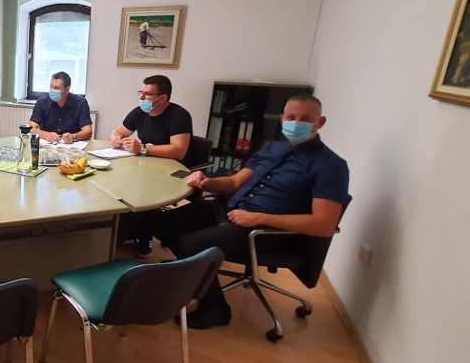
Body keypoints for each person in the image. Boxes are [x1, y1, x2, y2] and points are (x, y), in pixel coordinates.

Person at [152, 94, 349, 330]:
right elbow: (235, 183)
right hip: (230, 209)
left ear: (321, 122)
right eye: (291, 117)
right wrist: (207, 182)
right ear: (282, 119)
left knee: (189, 245)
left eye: (306, 119)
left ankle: (215, 309)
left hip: (266, 228)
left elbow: (324, 224)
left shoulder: (331, 166)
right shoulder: (271, 149)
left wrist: (257, 218)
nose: (297, 123)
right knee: (161, 224)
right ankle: (190, 274)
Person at [109, 75, 193, 258]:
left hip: (172, 170)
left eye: (147, 94)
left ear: (162, 98)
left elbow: (179, 151)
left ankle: (144, 235)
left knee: (143, 190)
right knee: (117, 182)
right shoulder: (139, 112)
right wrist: (115, 137)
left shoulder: (179, 116)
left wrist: (143, 149)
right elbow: (119, 130)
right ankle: (121, 229)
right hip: (146, 164)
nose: (141, 98)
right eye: (141, 92)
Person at [29, 71, 92, 143]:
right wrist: (46, 135)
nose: (52, 90)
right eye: (51, 87)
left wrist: (74, 136)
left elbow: (88, 131)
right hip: (48, 144)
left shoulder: (80, 103)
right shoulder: (42, 102)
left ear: (67, 89)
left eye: (56, 88)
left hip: (71, 145)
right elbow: (31, 128)